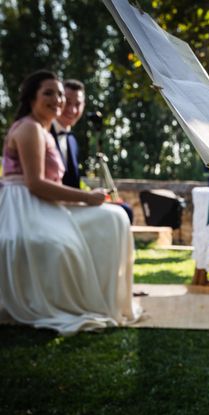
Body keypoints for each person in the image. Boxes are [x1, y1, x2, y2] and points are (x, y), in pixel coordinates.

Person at [0, 70, 140, 335]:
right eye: (48, 93)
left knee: (116, 216)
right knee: (102, 223)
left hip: (41, 203)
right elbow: (35, 184)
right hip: (25, 207)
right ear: (32, 97)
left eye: (60, 94)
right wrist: (86, 198)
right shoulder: (30, 128)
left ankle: (108, 296)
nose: (58, 100)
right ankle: (86, 300)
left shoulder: (42, 130)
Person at [51, 79, 134, 223]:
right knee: (121, 214)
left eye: (77, 104)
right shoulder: (44, 132)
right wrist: (86, 198)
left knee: (125, 209)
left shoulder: (72, 141)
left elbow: (73, 184)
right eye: (68, 102)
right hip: (54, 206)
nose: (72, 110)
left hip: (72, 203)